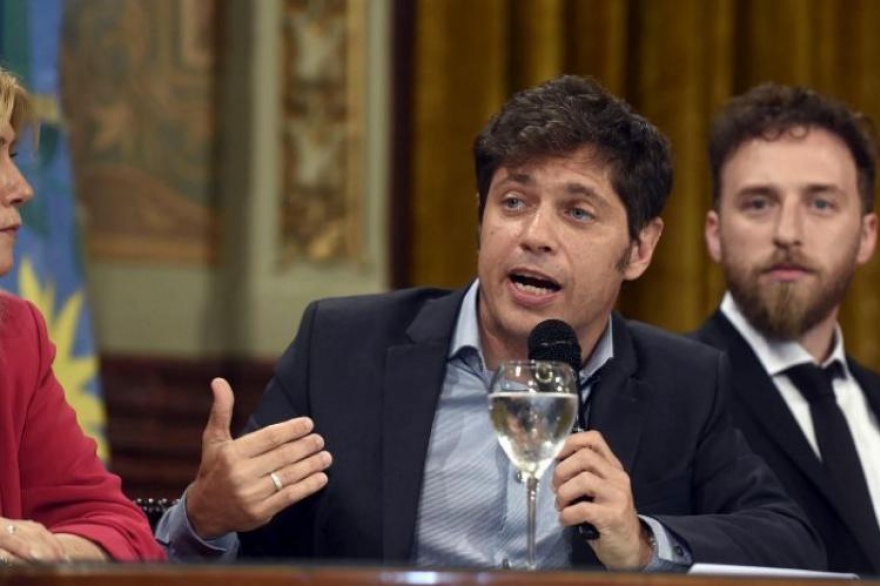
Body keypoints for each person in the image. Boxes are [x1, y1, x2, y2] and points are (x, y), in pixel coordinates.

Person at [157, 75, 824, 571]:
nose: (534, 234)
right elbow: (247, 547)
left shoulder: (685, 383)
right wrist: (206, 518)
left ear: (641, 248)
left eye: (578, 212)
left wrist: (644, 544)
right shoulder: (342, 348)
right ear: (481, 217)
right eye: (514, 201)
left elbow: (789, 542)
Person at [694, 83, 880, 574]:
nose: (788, 233)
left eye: (821, 204)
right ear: (715, 233)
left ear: (866, 236)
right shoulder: (668, 396)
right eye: (759, 203)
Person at [0, 67, 164, 563]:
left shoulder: (15, 336)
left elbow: (125, 533)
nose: (21, 187)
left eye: (10, 156)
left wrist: (45, 552)